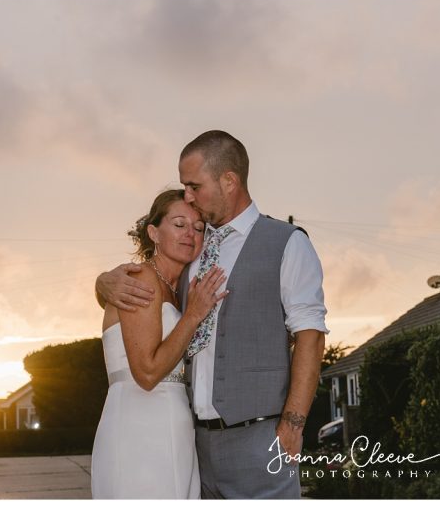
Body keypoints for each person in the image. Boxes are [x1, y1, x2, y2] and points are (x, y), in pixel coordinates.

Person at [96, 130, 328, 499]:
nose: (188, 196)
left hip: (259, 437)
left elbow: (311, 335)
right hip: (195, 443)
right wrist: (104, 283)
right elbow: (151, 296)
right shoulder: (194, 255)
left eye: (194, 185)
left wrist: (293, 423)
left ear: (229, 181)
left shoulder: (287, 242)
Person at [91, 189, 228, 499]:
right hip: (140, 426)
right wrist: (193, 315)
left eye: (198, 227)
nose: (190, 234)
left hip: (175, 424)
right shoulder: (139, 280)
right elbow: (148, 373)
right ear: (154, 232)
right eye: (179, 224)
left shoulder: (177, 287)